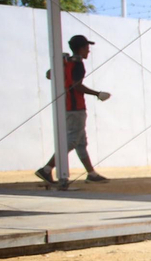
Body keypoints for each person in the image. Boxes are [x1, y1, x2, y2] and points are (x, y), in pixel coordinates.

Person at [36, 34, 111, 186]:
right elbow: (76, 85)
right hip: (75, 107)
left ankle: (91, 173)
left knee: (81, 142)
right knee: (72, 141)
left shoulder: (66, 62)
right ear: (81, 48)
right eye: (87, 48)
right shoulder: (77, 65)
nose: (88, 52)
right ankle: (47, 168)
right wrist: (97, 94)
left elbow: (49, 75)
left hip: (66, 106)